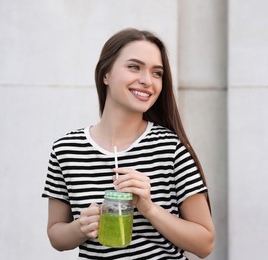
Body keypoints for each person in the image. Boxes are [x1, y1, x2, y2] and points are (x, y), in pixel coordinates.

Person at [42, 28, 215, 259]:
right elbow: (56, 235)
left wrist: (149, 209)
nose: (146, 81)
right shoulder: (66, 149)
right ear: (106, 74)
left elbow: (205, 244)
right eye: (134, 67)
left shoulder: (171, 148)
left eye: (157, 73)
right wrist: (80, 227)